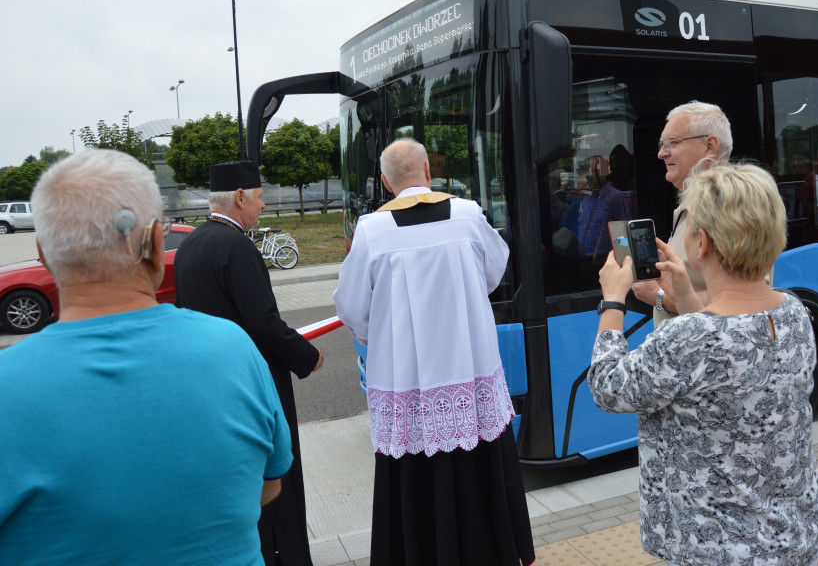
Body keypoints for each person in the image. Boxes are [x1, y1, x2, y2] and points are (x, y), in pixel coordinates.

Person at [0, 149, 291, 566]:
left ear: (44, 254)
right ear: (157, 244)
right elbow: (267, 486)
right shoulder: (234, 349)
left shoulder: (7, 387)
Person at [589, 163, 818, 566]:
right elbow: (725, 351)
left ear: (703, 244)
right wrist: (685, 296)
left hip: (716, 549)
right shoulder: (794, 311)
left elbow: (609, 387)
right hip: (790, 535)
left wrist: (613, 300)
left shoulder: (687, 338)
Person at [333, 138, 534, 566]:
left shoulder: (371, 230)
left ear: (385, 182)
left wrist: (379, 338)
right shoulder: (468, 214)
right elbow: (494, 273)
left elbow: (351, 307)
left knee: (415, 472)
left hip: (404, 376)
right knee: (478, 465)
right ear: (429, 171)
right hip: (471, 366)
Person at [173, 160, 324, 566]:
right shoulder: (236, 246)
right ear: (240, 197)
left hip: (212, 383)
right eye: (258, 199)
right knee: (275, 477)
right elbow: (264, 323)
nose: (261, 209)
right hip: (253, 383)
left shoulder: (191, 243)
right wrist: (307, 356)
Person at [631, 100, 733, 325]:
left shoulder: (729, 207)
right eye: (661, 144)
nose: (660, 154)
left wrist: (658, 297)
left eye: (672, 143)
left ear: (709, 146)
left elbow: (740, 301)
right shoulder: (694, 204)